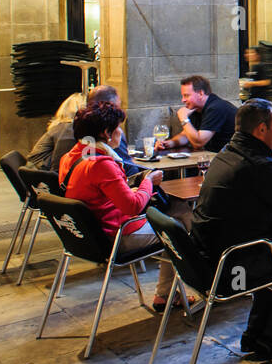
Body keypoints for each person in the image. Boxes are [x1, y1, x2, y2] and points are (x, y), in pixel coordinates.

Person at [191, 99, 272, 360]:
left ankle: (257, 336)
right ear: (261, 130)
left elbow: (254, 183)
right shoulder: (258, 165)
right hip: (229, 266)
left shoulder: (228, 152)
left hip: (204, 259)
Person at [59, 102, 193, 313]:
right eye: (119, 127)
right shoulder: (101, 164)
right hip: (117, 236)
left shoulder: (70, 158)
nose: (121, 132)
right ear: (106, 133)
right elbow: (133, 206)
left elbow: (101, 194)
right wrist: (149, 181)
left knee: (176, 216)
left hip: (90, 238)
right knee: (178, 230)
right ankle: (168, 294)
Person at [50, 85, 141, 176]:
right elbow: (129, 171)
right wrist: (147, 180)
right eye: (117, 107)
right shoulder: (100, 161)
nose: (120, 132)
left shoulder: (73, 147)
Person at [158, 75, 237, 154]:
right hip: (216, 156)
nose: (183, 100)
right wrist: (169, 143)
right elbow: (186, 135)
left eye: (186, 95)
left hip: (232, 159)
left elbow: (198, 143)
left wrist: (184, 118)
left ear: (200, 94)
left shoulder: (216, 108)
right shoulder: (196, 108)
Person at [28, 92, 85, 170]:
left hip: (39, 170)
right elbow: (59, 166)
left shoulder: (63, 126)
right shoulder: (68, 128)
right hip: (39, 173)